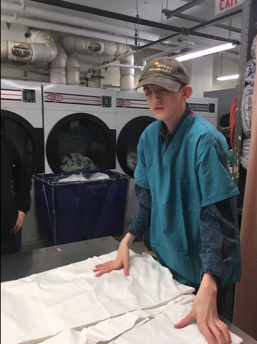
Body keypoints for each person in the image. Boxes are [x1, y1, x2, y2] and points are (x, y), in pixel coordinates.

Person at [94, 57, 241, 344]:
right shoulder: (148, 137)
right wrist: (126, 242)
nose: (155, 98)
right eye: (148, 91)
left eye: (163, 89)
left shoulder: (205, 141)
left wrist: (210, 282)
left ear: (185, 92)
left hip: (205, 267)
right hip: (166, 260)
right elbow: (147, 200)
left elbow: (217, 216)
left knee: (206, 335)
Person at [1, 128, 32, 255]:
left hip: (7, 229)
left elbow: (22, 171)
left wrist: (22, 208)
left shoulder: (3, 141)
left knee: (12, 272)